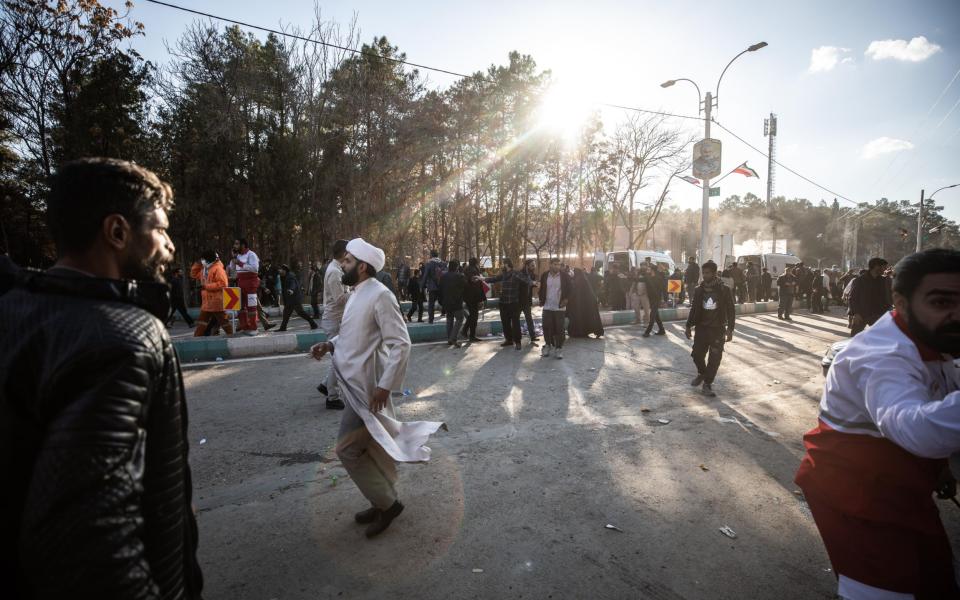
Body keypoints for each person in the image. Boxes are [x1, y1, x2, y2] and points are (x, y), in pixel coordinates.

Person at [0, 158, 203, 597]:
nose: (169, 246)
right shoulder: (121, 337)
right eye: (161, 230)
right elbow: (91, 538)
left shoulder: (16, 311)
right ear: (117, 232)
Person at [795, 249, 960, 599]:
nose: (956, 314)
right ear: (900, 302)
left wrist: (939, 469)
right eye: (941, 301)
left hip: (906, 484)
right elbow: (913, 427)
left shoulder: (932, 337)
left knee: (935, 580)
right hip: (856, 494)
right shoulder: (882, 357)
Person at [309, 238, 445, 538]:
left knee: (347, 450)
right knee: (373, 448)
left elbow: (401, 343)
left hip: (368, 391)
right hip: (355, 386)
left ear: (361, 266)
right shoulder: (356, 294)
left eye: (346, 261)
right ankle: (380, 500)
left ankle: (388, 504)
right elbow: (352, 337)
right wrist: (329, 344)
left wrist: (384, 387)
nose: (341, 265)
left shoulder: (380, 295)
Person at [685, 260, 735, 397]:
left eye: (707, 273)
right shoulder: (699, 290)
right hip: (701, 329)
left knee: (714, 359)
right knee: (696, 355)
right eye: (703, 273)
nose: (705, 275)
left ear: (714, 273)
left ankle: (707, 384)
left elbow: (731, 310)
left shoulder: (724, 290)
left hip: (717, 330)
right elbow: (694, 309)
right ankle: (702, 373)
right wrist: (688, 325)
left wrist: (730, 329)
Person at [318, 240, 350, 410]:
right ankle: (332, 397)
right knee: (340, 359)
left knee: (339, 357)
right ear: (344, 253)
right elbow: (339, 299)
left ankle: (325, 384)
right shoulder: (334, 273)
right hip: (334, 319)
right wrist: (358, 292)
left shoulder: (337, 269)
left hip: (337, 319)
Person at [482, 259, 533, 350]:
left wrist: (533, 282)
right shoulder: (504, 275)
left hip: (513, 303)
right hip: (503, 303)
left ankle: (518, 342)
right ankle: (509, 340)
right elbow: (494, 279)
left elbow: (526, 280)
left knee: (515, 323)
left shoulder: (516, 273)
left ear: (506, 264)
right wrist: (481, 278)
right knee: (505, 323)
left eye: (502, 264)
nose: (501, 266)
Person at [191, 250, 234, 336]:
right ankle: (196, 339)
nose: (201, 261)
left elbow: (223, 284)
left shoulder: (218, 269)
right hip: (207, 302)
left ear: (208, 259)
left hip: (216, 302)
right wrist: (197, 264)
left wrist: (206, 287)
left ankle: (232, 336)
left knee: (223, 321)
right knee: (202, 323)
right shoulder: (204, 269)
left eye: (203, 259)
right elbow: (193, 274)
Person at [848, 257, 893, 336]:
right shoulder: (860, 280)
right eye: (884, 267)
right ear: (876, 266)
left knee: (882, 337)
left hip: (878, 314)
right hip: (862, 314)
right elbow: (852, 298)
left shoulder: (883, 281)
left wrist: (889, 307)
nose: (885, 269)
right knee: (855, 337)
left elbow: (886, 296)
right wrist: (856, 313)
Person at [539, 257, 571, 359]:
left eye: (559, 264)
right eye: (555, 264)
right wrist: (541, 299)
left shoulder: (564, 276)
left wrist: (566, 299)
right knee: (546, 327)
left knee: (559, 329)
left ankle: (558, 349)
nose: (557, 266)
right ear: (550, 265)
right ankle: (548, 346)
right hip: (547, 306)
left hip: (559, 308)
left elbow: (571, 289)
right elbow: (542, 289)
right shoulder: (544, 275)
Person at [278, 262, 319, 331]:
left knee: (300, 312)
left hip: (294, 299)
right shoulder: (284, 276)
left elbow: (293, 284)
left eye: (280, 269)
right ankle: (283, 327)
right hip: (290, 299)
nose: (279, 271)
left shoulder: (290, 277)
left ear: (284, 270)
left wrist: (291, 290)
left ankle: (313, 324)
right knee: (286, 314)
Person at [232, 238, 261, 331]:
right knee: (240, 306)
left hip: (251, 283)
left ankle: (253, 327)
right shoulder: (238, 256)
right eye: (234, 244)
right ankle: (244, 326)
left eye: (237, 244)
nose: (234, 246)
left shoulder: (251, 254)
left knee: (251, 306)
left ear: (243, 245)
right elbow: (234, 269)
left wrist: (240, 263)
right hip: (240, 283)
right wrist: (234, 258)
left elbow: (255, 269)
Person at [567, 268, 605, 338]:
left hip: (582, 304)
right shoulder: (583, 279)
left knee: (581, 317)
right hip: (588, 303)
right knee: (590, 317)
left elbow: (576, 292)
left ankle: (581, 332)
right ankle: (591, 331)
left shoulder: (578, 280)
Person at [439, 259, 466, 348]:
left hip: (446, 302)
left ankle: (449, 338)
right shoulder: (460, 276)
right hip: (457, 302)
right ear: (457, 267)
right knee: (460, 319)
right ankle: (453, 338)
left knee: (449, 320)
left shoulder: (443, 277)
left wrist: (441, 301)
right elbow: (464, 288)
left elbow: (440, 290)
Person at [462, 257, 485, 343]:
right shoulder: (474, 271)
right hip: (474, 297)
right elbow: (476, 286)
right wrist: (480, 299)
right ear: (476, 263)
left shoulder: (466, 270)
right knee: (474, 316)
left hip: (468, 297)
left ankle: (465, 331)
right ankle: (471, 335)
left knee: (472, 315)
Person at [641, 265, 667, 337]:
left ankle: (647, 332)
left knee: (652, 315)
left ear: (652, 270)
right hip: (651, 299)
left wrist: (665, 300)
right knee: (656, 315)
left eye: (649, 269)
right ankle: (662, 330)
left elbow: (664, 289)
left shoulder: (659, 278)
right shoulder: (648, 277)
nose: (647, 270)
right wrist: (628, 277)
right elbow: (639, 279)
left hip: (657, 299)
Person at [518, 259, 539, 346]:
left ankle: (533, 336)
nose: (534, 267)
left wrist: (536, 284)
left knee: (529, 319)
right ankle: (516, 337)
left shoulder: (533, 275)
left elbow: (532, 285)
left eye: (534, 265)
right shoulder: (520, 273)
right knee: (515, 319)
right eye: (532, 265)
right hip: (518, 300)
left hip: (527, 300)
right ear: (527, 266)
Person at [420, 249, 444, 324]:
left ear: (431, 255)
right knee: (444, 302)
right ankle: (451, 315)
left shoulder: (429, 264)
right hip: (441, 286)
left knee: (431, 304)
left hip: (432, 287)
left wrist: (421, 286)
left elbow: (425, 276)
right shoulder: (443, 263)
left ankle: (431, 320)